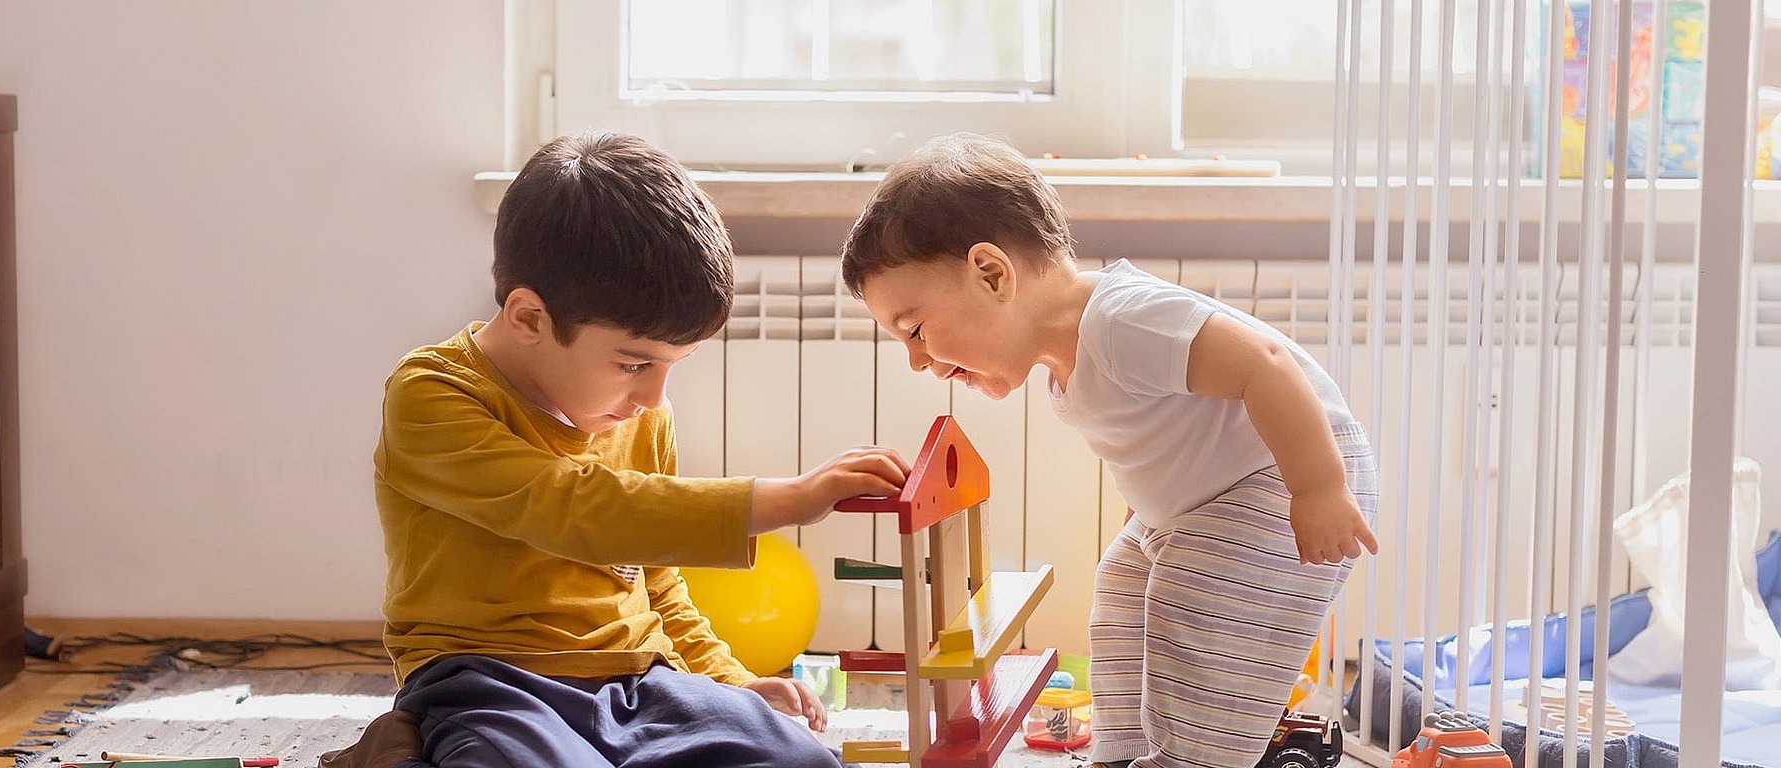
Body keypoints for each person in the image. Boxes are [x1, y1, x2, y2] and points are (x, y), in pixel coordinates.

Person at [325, 132, 908, 768]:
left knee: (802, 760)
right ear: (528, 318)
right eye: (634, 363)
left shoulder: (637, 411)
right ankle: (400, 750)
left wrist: (727, 681)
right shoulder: (431, 396)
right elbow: (573, 509)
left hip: (638, 678)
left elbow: (657, 577)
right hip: (489, 681)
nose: (655, 397)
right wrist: (784, 500)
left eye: (669, 367)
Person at [839, 133, 1380, 768]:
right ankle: (1125, 752)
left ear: (991, 274)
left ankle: (1198, 757)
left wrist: (1317, 487)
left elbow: (1265, 365)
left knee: (1191, 604)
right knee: (1122, 590)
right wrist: (1144, 512)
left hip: (1284, 472)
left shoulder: (1120, 320)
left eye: (917, 330)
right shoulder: (1069, 365)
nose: (917, 361)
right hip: (1211, 495)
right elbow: (1166, 438)